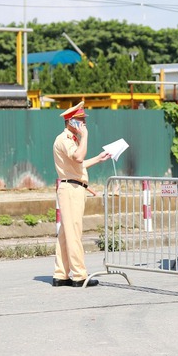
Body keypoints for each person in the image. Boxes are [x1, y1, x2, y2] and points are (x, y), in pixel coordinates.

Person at [51, 101, 111, 287]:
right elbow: (78, 157)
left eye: (84, 120)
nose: (84, 123)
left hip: (74, 187)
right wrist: (85, 136)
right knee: (74, 232)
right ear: (71, 122)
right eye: (80, 120)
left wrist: (98, 159)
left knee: (66, 233)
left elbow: (78, 165)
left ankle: (61, 274)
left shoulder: (70, 139)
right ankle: (79, 275)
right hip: (71, 189)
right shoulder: (65, 139)